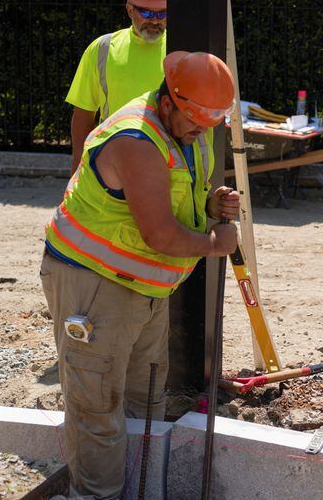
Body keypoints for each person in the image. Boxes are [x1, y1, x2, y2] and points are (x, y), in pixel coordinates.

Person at [41, 51, 239, 498]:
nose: (200, 130)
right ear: (167, 100)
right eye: (192, 120)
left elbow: (175, 194)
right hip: (93, 282)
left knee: (142, 396)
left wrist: (208, 206)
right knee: (97, 405)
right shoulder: (136, 138)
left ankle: (138, 486)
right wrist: (213, 244)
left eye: (209, 122)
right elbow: (160, 235)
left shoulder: (189, 128)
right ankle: (97, 495)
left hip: (143, 287)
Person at [65, 0, 168, 174]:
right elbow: (84, 114)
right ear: (129, 9)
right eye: (146, 12)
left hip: (167, 164)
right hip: (113, 166)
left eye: (162, 13)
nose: (155, 20)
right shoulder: (102, 48)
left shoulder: (180, 50)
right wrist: (78, 169)